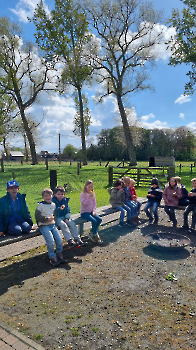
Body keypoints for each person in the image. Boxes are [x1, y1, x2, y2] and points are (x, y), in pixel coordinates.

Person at [35, 188, 66, 267]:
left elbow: (54, 215)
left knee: (59, 240)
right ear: (43, 197)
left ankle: (59, 254)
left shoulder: (53, 205)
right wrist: (46, 219)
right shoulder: (41, 206)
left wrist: (54, 222)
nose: (48, 197)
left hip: (52, 225)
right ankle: (52, 257)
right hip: (44, 226)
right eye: (46, 196)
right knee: (51, 241)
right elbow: (37, 216)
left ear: (52, 196)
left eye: (49, 195)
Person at [80, 180, 103, 244]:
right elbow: (83, 204)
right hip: (84, 212)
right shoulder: (83, 194)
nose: (90, 188)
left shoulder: (93, 194)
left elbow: (94, 204)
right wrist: (88, 197)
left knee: (99, 219)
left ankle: (92, 232)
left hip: (91, 212)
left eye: (91, 187)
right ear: (85, 187)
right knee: (94, 220)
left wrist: (94, 211)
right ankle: (95, 234)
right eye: (89, 187)